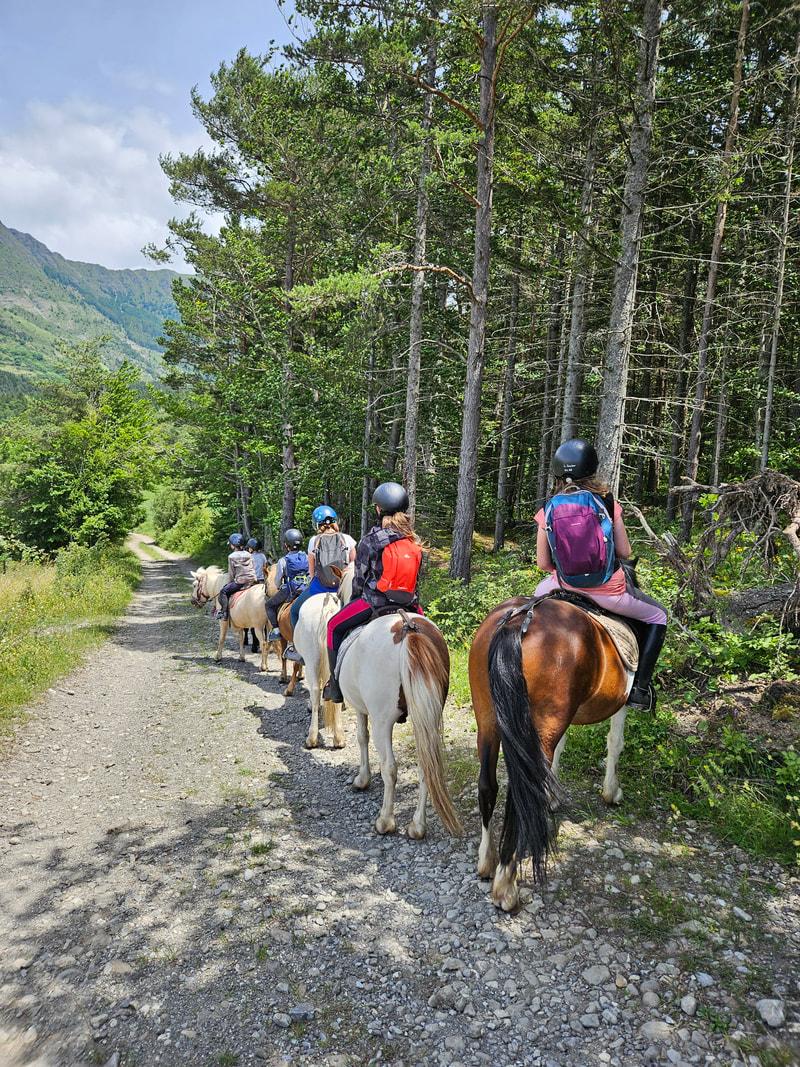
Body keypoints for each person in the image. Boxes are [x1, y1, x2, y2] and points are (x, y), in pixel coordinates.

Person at [533, 438, 667, 711]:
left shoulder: (548, 508)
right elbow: (625, 552)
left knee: (532, 606)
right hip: (608, 592)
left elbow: (543, 563)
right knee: (659, 616)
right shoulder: (607, 502)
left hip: (563, 586)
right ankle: (640, 690)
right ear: (591, 469)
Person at [322, 482, 423, 704]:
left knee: (333, 627)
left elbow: (359, 580)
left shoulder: (371, 539)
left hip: (374, 603)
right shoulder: (412, 540)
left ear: (378, 509)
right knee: (428, 634)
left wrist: (354, 599)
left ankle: (335, 687)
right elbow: (416, 580)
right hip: (409, 603)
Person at [284, 506, 357, 663]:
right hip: (342, 588)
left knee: (294, 611)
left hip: (319, 587)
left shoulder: (314, 541)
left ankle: (297, 649)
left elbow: (311, 571)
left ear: (317, 524)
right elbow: (353, 565)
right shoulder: (347, 539)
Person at [266, 528, 309, 641]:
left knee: (269, 605)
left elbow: (277, 580)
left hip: (291, 590)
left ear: (286, 545)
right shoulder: (307, 556)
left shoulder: (283, 560)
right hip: (307, 589)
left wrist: (279, 586)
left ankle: (276, 631)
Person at [215, 533, 258, 620]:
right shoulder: (249, 554)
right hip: (252, 580)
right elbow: (253, 566)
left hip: (241, 582)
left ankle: (224, 613)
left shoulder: (231, 556)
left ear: (233, 546)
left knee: (223, 592)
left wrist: (229, 583)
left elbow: (231, 573)